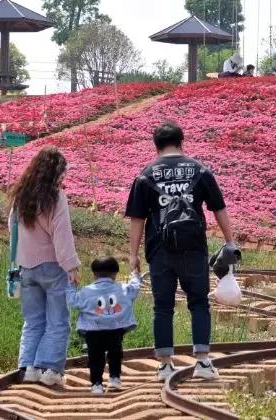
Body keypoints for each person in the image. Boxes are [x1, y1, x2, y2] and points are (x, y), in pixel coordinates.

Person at [125, 121, 239, 381]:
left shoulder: (146, 174)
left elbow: (137, 219)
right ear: (181, 141)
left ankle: (165, 365)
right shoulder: (199, 170)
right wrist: (230, 241)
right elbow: (219, 208)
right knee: (199, 303)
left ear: (156, 146)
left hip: (159, 250)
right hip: (194, 249)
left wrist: (133, 255)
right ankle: (203, 362)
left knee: (163, 307)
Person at [9, 146, 80, 388]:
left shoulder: (21, 196)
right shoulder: (55, 198)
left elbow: (13, 229)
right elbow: (62, 236)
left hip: (26, 267)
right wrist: (71, 266)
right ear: (56, 173)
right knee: (58, 321)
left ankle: (28, 366)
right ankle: (50, 369)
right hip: (52, 267)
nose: (64, 177)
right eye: (64, 172)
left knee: (33, 319)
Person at [67, 257, 141, 395]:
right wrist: (135, 274)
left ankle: (96, 384)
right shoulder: (122, 289)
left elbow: (72, 301)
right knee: (115, 353)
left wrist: (71, 284)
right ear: (116, 273)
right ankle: (114, 378)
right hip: (116, 329)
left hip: (93, 330)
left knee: (95, 357)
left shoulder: (86, 291)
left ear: (94, 274)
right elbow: (135, 288)